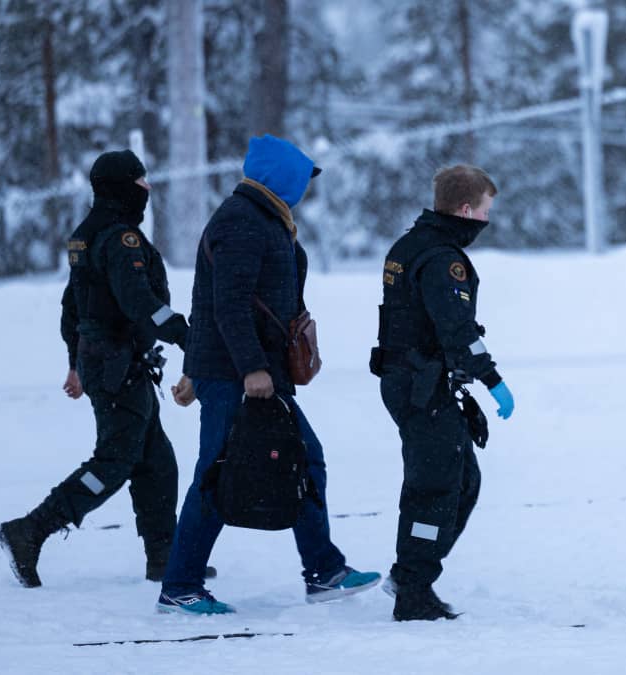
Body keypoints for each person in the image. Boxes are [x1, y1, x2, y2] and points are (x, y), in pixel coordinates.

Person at [156, 135, 381, 615]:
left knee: (300, 462)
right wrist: (248, 368)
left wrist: (199, 368)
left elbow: (216, 297)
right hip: (242, 376)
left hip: (247, 373)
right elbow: (227, 304)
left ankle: (323, 570)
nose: (306, 186)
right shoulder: (242, 221)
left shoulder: (265, 218)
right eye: (302, 177)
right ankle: (180, 585)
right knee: (218, 476)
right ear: (282, 177)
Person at [0, 149, 191, 588]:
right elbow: (139, 303)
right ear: (126, 187)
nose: (148, 190)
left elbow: (73, 305)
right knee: (114, 462)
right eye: (142, 182)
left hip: (107, 361)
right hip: (116, 363)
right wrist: (185, 333)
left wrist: (75, 362)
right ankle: (30, 530)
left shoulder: (87, 234)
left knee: (156, 463)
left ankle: (165, 558)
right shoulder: (120, 239)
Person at [369, 164, 515, 621]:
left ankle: (411, 571)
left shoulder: (409, 245)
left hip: (413, 382)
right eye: (486, 211)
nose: (487, 221)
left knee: (460, 482)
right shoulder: (441, 258)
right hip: (420, 386)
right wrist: (492, 378)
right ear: (467, 208)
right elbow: (456, 329)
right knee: (436, 487)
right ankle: (413, 589)